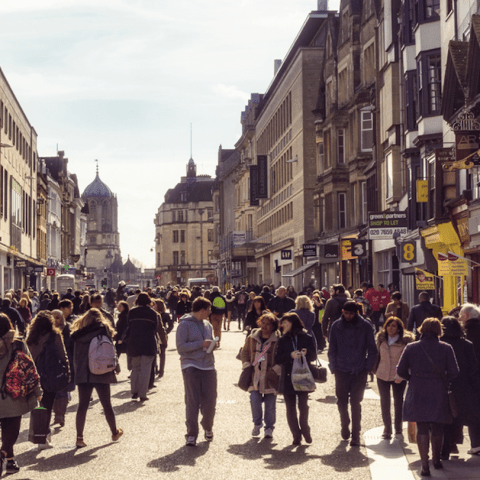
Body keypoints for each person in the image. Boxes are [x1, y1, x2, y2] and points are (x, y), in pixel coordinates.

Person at [396, 318, 459, 476]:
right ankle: (436, 460)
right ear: (439, 330)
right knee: (438, 426)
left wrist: (413, 378)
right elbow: (454, 372)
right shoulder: (446, 348)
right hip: (439, 390)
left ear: (422, 329)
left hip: (417, 389)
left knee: (422, 426)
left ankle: (424, 465)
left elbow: (401, 370)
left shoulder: (411, 347)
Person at [70, 308, 123, 448]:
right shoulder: (103, 329)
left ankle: (79, 438)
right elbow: (110, 348)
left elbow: (74, 354)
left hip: (83, 372)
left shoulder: (77, 335)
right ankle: (114, 432)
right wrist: (115, 365)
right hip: (101, 370)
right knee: (106, 404)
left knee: (82, 405)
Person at [328, 300, 377, 446]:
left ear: (356, 313)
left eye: (351, 313)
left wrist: (368, 367)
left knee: (356, 402)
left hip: (359, 370)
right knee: (341, 401)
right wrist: (333, 366)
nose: (348, 316)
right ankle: (345, 424)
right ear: (342, 312)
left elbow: (372, 349)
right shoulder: (336, 325)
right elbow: (332, 348)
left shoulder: (365, 326)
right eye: (346, 313)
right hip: (341, 370)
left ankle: (356, 434)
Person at [0, 314, 42, 475]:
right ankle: (4, 455)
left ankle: (10, 461)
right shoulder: (17, 343)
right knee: (11, 429)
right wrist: (38, 392)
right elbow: (30, 369)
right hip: (13, 394)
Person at [176, 297, 217, 447]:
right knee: (192, 400)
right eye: (209, 310)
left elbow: (208, 343)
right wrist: (201, 344)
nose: (210, 312)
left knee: (210, 400)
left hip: (208, 365)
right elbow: (181, 347)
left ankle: (208, 426)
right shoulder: (184, 325)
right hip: (190, 365)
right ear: (202, 310)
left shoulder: (208, 325)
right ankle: (191, 434)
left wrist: (212, 345)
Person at [26, 311, 70, 445]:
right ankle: (43, 437)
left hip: (34, 374)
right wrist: (67, 372)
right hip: (50, 375)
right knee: (47, 405)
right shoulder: (54, 335)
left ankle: (39, 434)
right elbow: (63, 355)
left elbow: (28, 357)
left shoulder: (31, 337)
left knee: (37, 406)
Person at [440, 315, 480, 459]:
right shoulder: (467, 344)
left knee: (444, 416)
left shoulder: (439, 343)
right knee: (457, 415)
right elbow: (473, 368)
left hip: (442, 385)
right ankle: (453, 443)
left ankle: (446, 446)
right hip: (462, 387)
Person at [275, 312, 316, 445]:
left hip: (303, 375)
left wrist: (307, 353)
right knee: (290, 407)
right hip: (288, 376)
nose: (282, 326)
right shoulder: (282, 339)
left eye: (285, 323)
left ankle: (305, 429)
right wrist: (290, 355)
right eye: (282, 323)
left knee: (303, 406)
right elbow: (277, 358)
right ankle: (296, 435)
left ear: (293, 323)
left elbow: (314, 356)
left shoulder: (307, 337)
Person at [241, 313, 281, 438]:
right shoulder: (252, 337)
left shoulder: (278, 340)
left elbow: (282, 357)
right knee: (254, 401)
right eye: (263, 323)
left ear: (273, 326)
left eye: (268, 324)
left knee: (270, 405)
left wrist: (276, 370)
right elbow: (245, 352)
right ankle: (257, 424)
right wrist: (247, 365)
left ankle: (269, 427)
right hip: (255, 376)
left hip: (271, 377)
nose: (264, 326)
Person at [374, 317, 414, 439]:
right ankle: (387, 429)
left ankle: (398, 428)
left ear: (399, 328)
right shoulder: (381, 339)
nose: (390, 328)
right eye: (388, 326)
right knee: (384, 402)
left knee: (398, 402)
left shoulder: (405, 341)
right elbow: (377, 355)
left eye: (394, 326)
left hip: (398, 375)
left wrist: (405, 373)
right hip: (382, 374)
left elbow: (409, 360)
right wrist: (373, 369)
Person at [126, 293, 158, 401]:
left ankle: (134, 391)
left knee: (135, 368)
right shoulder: (152, 313)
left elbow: (129, 326)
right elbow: (155, 328)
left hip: (134, 342)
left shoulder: (132, 312)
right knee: (146, 368)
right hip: (148, 342)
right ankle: (142, 393)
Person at [458, 303, 480, 455]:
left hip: (473, 378)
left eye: (460, 315)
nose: (459, 318)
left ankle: (476, 445)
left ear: (466, 317)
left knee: (474, 411)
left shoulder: (466, 334)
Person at [50, 310, 74, 427]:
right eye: (53, 317)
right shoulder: (48, 330)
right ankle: (57, 414)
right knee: (54, 391)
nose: (55, 320)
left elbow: (72, 345)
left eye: (58, 317)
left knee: (62, 390)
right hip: (51, 364)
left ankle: (60, 415)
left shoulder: (68, 329)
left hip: (65, 362)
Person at [152, 299, 170, 378]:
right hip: (154, 335)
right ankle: (155, 369)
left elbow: (171, 325)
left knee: (162, 354)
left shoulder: (165, 315)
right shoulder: (152, 314)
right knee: (154, 354)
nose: (153, 306)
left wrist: (166, 332)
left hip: (162, 336)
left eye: (154, 304)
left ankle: (161, 371)